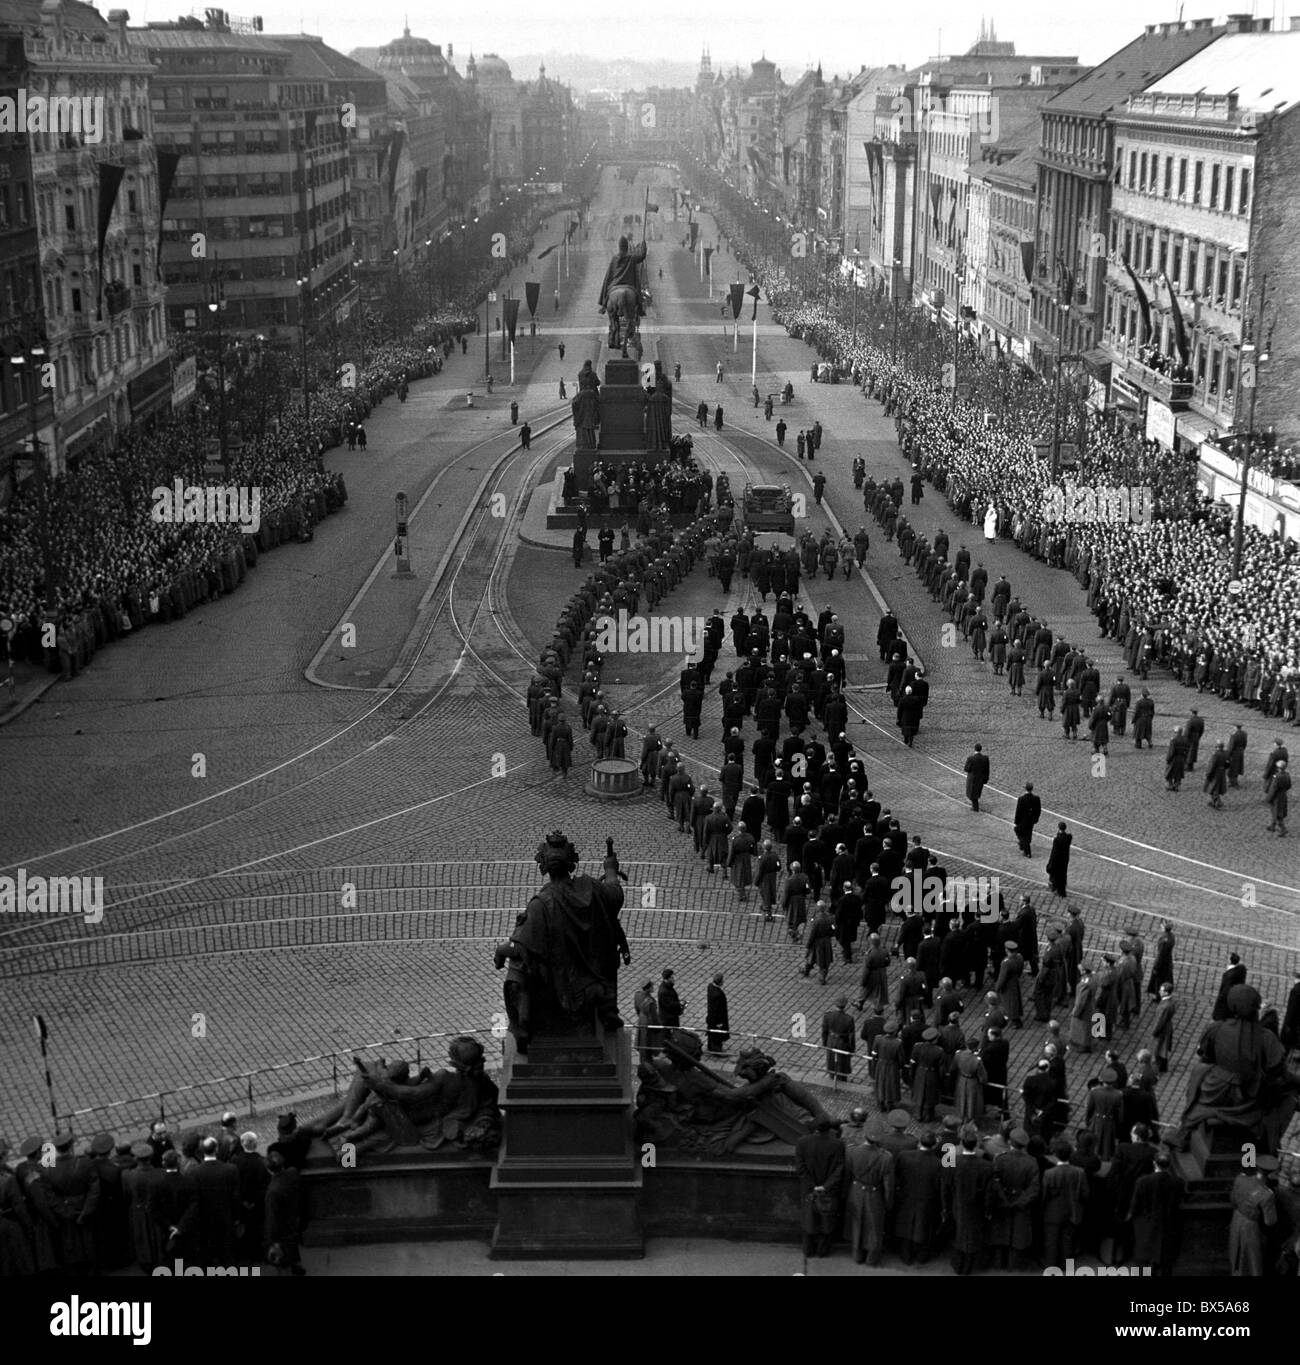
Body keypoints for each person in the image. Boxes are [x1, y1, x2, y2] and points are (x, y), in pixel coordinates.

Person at [844, 1122, 895, 1266]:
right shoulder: (886, 1157)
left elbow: (847, 1174)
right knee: (874, 1227)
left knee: (857, 1224)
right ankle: (872, 1258)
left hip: (855, 1190)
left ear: (864, 1135)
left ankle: (857, 1255)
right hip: (874, 1193)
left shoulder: (851, 1151)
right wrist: (888, 1202)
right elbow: (888, 1184)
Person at [794, 1118, 845, 1258]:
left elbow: (800, 1167)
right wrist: (826, 1186)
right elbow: (839, 1168)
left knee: (808, 1218)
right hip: (829, 1189)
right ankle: (822, 1250)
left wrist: (812, 1185)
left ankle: (808, 1249)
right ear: (829, 1129)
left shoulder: (802, 1142)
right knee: (827, 1219)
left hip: (808, 1188)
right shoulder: (838, 1144)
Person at [1130, 1151, 1184, 1276]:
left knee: (1143, 1264)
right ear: (1170, 1165)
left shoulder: (1142, 1181)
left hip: (1145, 1226)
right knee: (1165, 1263)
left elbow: (1135, 1206)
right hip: (1168, 1226)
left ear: (1154, 1163)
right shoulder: (1178, 1182)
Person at [1228, 1157, 1278, 1276]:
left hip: (1236, 1219)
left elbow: (1233, 1200)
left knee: (1235, 1253)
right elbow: (1270, 1221)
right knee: (1251, 1259)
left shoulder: (1240, 1178)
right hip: (1251, 1226)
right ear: (1271, 1173)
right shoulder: (1267, 1194)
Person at [263, 1150, 305, 1275]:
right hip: (293, 1219)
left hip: (281, 1230)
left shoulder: (272, 1192)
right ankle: (297, 1267)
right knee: (292, 1248)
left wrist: (272, 1241)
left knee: (282, 1261)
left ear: (269, 1170)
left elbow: (272, 1219)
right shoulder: (293, 1173)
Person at [822, 995, 856, 1081]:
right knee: (843, 1061)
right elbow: (851, 1036)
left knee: (831, 1059)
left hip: (831, 1040)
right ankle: (842, 1077)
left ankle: (832, 1076)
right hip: (842, 1042)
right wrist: (851, 1049)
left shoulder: (827, 1016)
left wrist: (825, 1043)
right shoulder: (849, 1019)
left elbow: (824, 1032)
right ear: (845, 1005)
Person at [1013, 782, 1041, 856]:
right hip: (1031, 820)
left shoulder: (1021, 799)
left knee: (1021, 833)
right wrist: (1035, 819)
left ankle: (1026, 850)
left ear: (1025, 788)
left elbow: (1018, 811)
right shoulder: (1036, 799)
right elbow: (1038, 810)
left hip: (1022, 820)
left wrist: (1016, 821)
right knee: (1028, 834)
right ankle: (1024, 845)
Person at [706, 972, 730, 1053]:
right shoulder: (718, 995)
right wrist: (719, 1022)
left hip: (711, 1016)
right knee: (718, 1034)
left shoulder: (710, 987)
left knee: (711, 1031)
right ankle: (716, 1049)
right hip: (717, 1018)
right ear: (720, 982)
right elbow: (717, 1010)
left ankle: (710, 1046)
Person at [1046, 822, 1071, 896]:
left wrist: (1050, 862)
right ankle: (1060, 888)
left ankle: (1055, 887)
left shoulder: (1057, 840)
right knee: (1063, 874)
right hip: (1065, 859)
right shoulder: (1068, 838)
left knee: (1055, 874)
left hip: (1057, 860)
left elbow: (1054, 852)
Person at [964, 743, 989, 812]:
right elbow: (987, 770)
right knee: (977, 792)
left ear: (974, 749)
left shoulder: (971, 758)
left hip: (972, 779)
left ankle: (975, 808)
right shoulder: (985, 758)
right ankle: (975, 806)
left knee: (972, 793)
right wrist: (986, 779)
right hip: (980, 779)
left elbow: (966, 769)